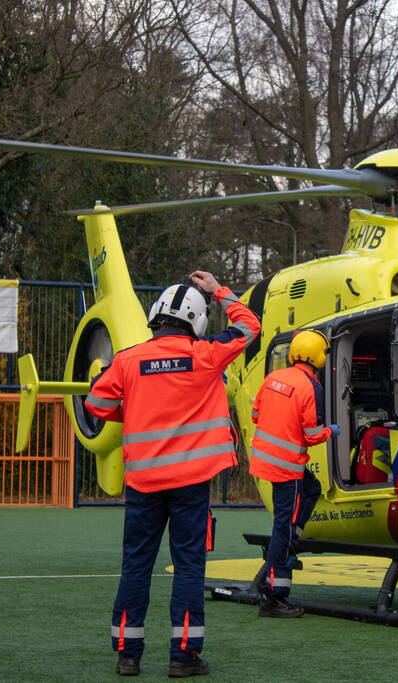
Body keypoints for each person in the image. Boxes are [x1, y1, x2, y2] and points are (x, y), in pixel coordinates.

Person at [86, 271, 260, 678]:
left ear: (155, 316)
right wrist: (220, 290)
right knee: (188, 567)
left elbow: (95, 402)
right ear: (197, 322)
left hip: (143, 484)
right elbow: (250, 325)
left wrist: (130, 411)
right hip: (193, 482)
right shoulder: (206, 353)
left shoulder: (129, 359)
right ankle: (184, 656)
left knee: (136, 566)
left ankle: (127, 654)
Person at [249, 329, 339, 618]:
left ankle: (294, 534)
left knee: (312, 490)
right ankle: (275, 596)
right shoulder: (311, 386)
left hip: (266, 460)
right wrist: (332, 431)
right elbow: (312, 434)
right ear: (316, 356)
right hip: (287, 465)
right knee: (282, 528)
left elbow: (255, 414)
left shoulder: (274, 377)